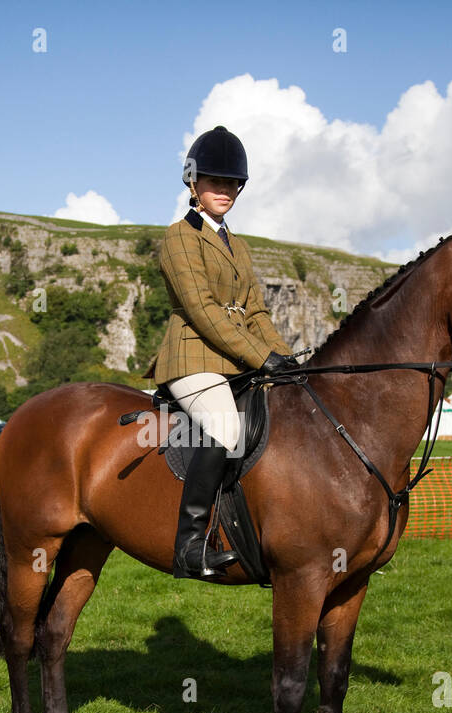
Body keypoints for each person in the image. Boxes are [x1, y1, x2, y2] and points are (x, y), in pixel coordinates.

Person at [144, 125, 297, 578]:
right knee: (226, 425)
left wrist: (286, 359)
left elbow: (256, 312)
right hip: (192, 356)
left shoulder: (239, 245)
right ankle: (189, 545)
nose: (226, 191)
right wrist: (261, 358)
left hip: (236, 359)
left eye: (233, 183)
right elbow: (203, 311)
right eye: (216, 182)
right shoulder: (179, 237)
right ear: (193, 183)